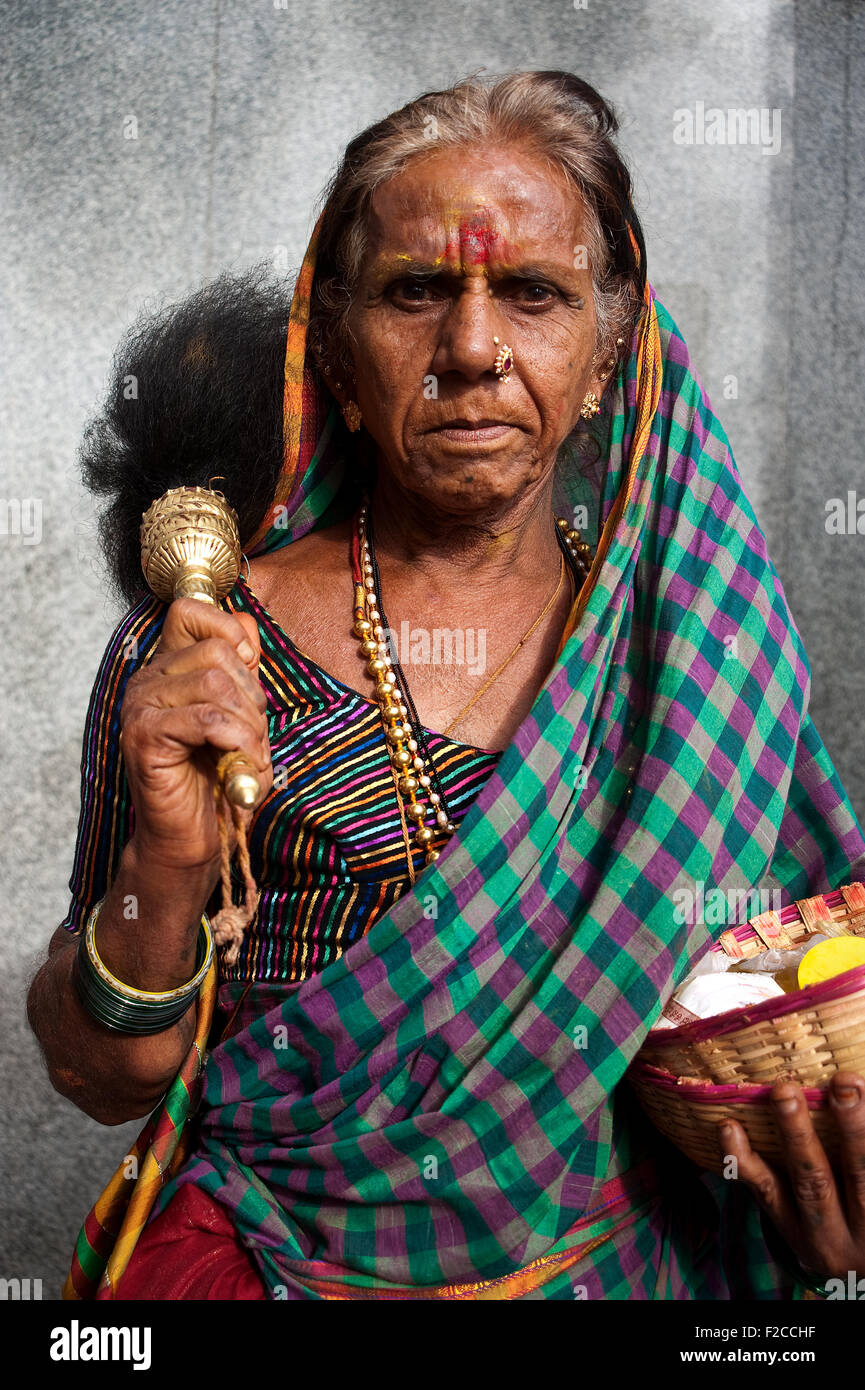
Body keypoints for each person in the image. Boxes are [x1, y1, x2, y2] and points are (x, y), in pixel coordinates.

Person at [28, 70, 865, 1301]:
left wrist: (806, 1187)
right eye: (417, 292)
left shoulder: (689, 662)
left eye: (531, 293)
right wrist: (164, 863)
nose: (471, 350)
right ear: (339, 352)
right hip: (278, 1266)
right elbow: (103, 1077)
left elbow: (783, 1023)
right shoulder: (211, 654)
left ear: (608, 352)